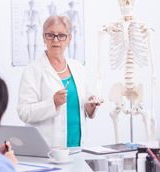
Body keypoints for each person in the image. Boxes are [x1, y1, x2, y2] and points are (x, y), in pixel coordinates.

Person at [18, 15, 100, 148]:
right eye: (50, 35)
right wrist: (52, 103)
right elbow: (24, 112)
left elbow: (84, 107)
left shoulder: (78, 68)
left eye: (61, 35)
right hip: (48, 148)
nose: (55, 40)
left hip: (78, 147)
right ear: (44, 38)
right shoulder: (33, 70)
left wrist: (90, 107)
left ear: (69, 39)